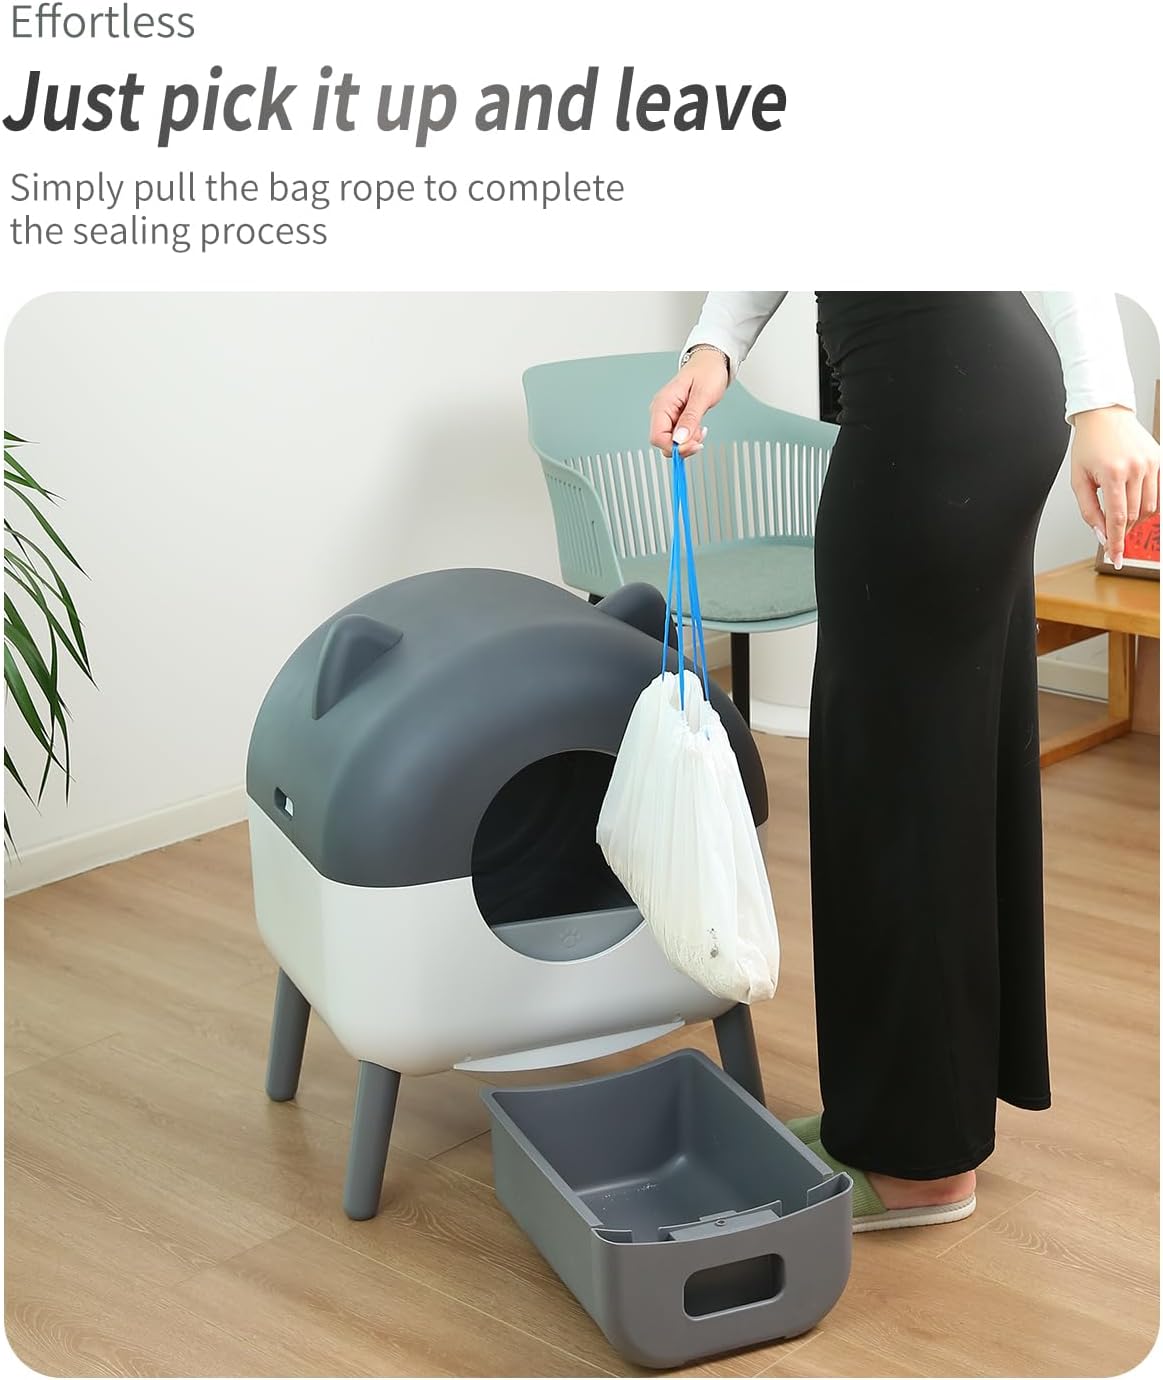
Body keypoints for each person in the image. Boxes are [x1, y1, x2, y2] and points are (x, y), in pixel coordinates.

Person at [649, 292, 1160, 1231]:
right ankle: (913, 1121)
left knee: (892, 780)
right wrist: (715, 348)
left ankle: (916, 1160)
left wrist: (1103, 401)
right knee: (935, 765)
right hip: (955, 400)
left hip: (934, 409)